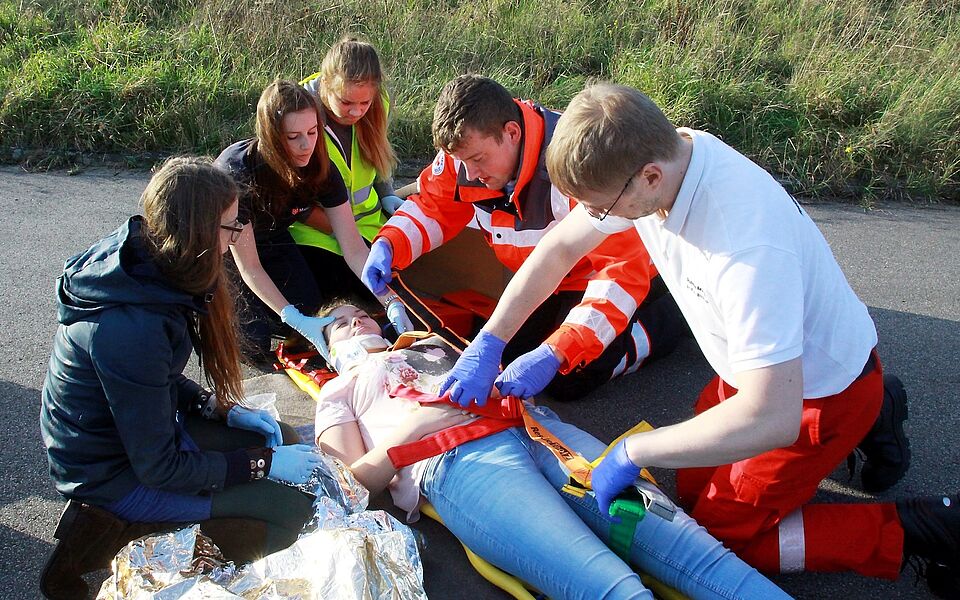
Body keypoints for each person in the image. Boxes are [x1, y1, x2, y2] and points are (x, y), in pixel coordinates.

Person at [452, 82, 958, 596]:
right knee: (692, 495)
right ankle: (877, 410)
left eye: (601, 210)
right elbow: (561, 247)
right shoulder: (663, 156)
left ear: (649, 177)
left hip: (812, 397)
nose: (597, 220)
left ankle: (918, 528)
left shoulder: (745, 247)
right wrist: (491, 340)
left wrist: (632, 451)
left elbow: (773, 418)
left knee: (719, 546)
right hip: (751, 370)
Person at [313, 301, 791, 600]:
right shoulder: (338, 391)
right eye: (339, 325)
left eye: (361, 315)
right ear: (328, 351)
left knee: (698, 554)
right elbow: (349, 488)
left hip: (542, 431)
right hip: (457, 461)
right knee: (613, 589)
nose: (355, 322)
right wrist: (410, 432)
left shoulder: (431, 344)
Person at [39, 157, 321, 573]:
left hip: (132, 444)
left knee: (283, 436)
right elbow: (160, 467)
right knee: (290, 511)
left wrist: (215, 407)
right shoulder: (132, 329)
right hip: (111, 474)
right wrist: (260, 464)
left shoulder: (153, 265)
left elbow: (156, 381)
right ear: (198, 232)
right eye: (231, 227)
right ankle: (120, 540)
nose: (235, 238)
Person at [361, 74, 687, 403]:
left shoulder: (580, 167)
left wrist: (559, 349)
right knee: (509, 355)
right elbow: (434, 207)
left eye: (478, 160)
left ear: (512, 133)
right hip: (550, 277)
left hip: (627, 275)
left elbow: (620, 272)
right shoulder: (466, 152)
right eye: (462, 163)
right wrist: (390, 244)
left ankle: (671, 318)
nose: (470, 174)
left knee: (570, 375)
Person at [215, 80, 411, 362]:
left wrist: (390, 300)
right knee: (253, 344)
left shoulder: (321, 166)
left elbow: (354, 250)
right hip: (224, 244)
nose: (306, 145)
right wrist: (291, 316)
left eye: (312, 132)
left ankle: (265, 312)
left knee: (311, 312)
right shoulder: (239, 172)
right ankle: (210, 304)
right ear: (271, 137)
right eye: (293, 137)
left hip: (273, 235)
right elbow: (250, 266)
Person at [296, 36, 406, 301]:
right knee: (341, 295)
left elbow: (377, 152)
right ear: (325, 83)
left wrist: (387, 193)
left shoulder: (380, 102)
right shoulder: (296, 111)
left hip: (369, 227)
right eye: (346, 102)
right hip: (317, 235)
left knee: (398, 287)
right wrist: (342, 232)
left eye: (364, 103)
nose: (356, 112)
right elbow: (291, 199)